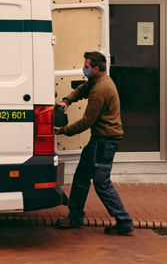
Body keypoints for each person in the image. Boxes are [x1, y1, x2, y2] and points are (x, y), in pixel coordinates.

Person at [54, 50, 134, 235]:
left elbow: (87, 121)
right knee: (82, 176)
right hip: (100, 140)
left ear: (96, 68)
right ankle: (74, 217)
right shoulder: (97, 81)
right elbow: (82, 89)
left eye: (87, 66)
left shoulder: (100, 90)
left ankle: (124, 221)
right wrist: (67, 101)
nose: (84, 69)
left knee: (101, 182)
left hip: (105, 142)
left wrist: (63, 131)